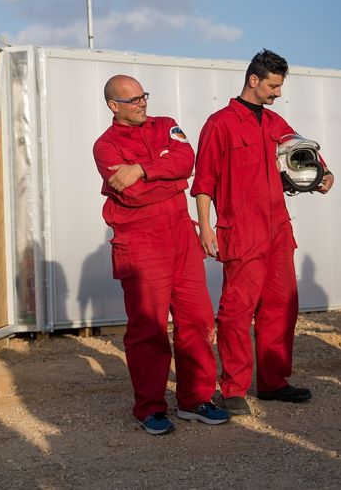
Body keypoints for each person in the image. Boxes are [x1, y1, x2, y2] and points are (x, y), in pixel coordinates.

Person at [192, 49, 334, 414]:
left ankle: (274, 383)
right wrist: (206, 227)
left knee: (281, 308)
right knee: (237, 312)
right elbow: (204, 181)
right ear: (253, 80)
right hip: (240, 230)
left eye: (279, 86)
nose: (277, 93)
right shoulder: (219, 123)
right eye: (272, 85)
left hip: (278, 232)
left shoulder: (274, 121)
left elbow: (303, 150)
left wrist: (324, 173)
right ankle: (235, 388)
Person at [93, 74, 230, 435]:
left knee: (197, 321)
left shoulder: (166, 125)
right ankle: (150, 407)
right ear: (114, 105)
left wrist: (142, 169)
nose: (142, 103)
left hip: (181, 240)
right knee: (148, 329)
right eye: (134, 99)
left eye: (143, 96)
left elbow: (186, 162)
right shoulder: (105, 146)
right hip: (140, 245)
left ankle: (195, 400)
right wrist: (168, 180)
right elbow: (133, 195)